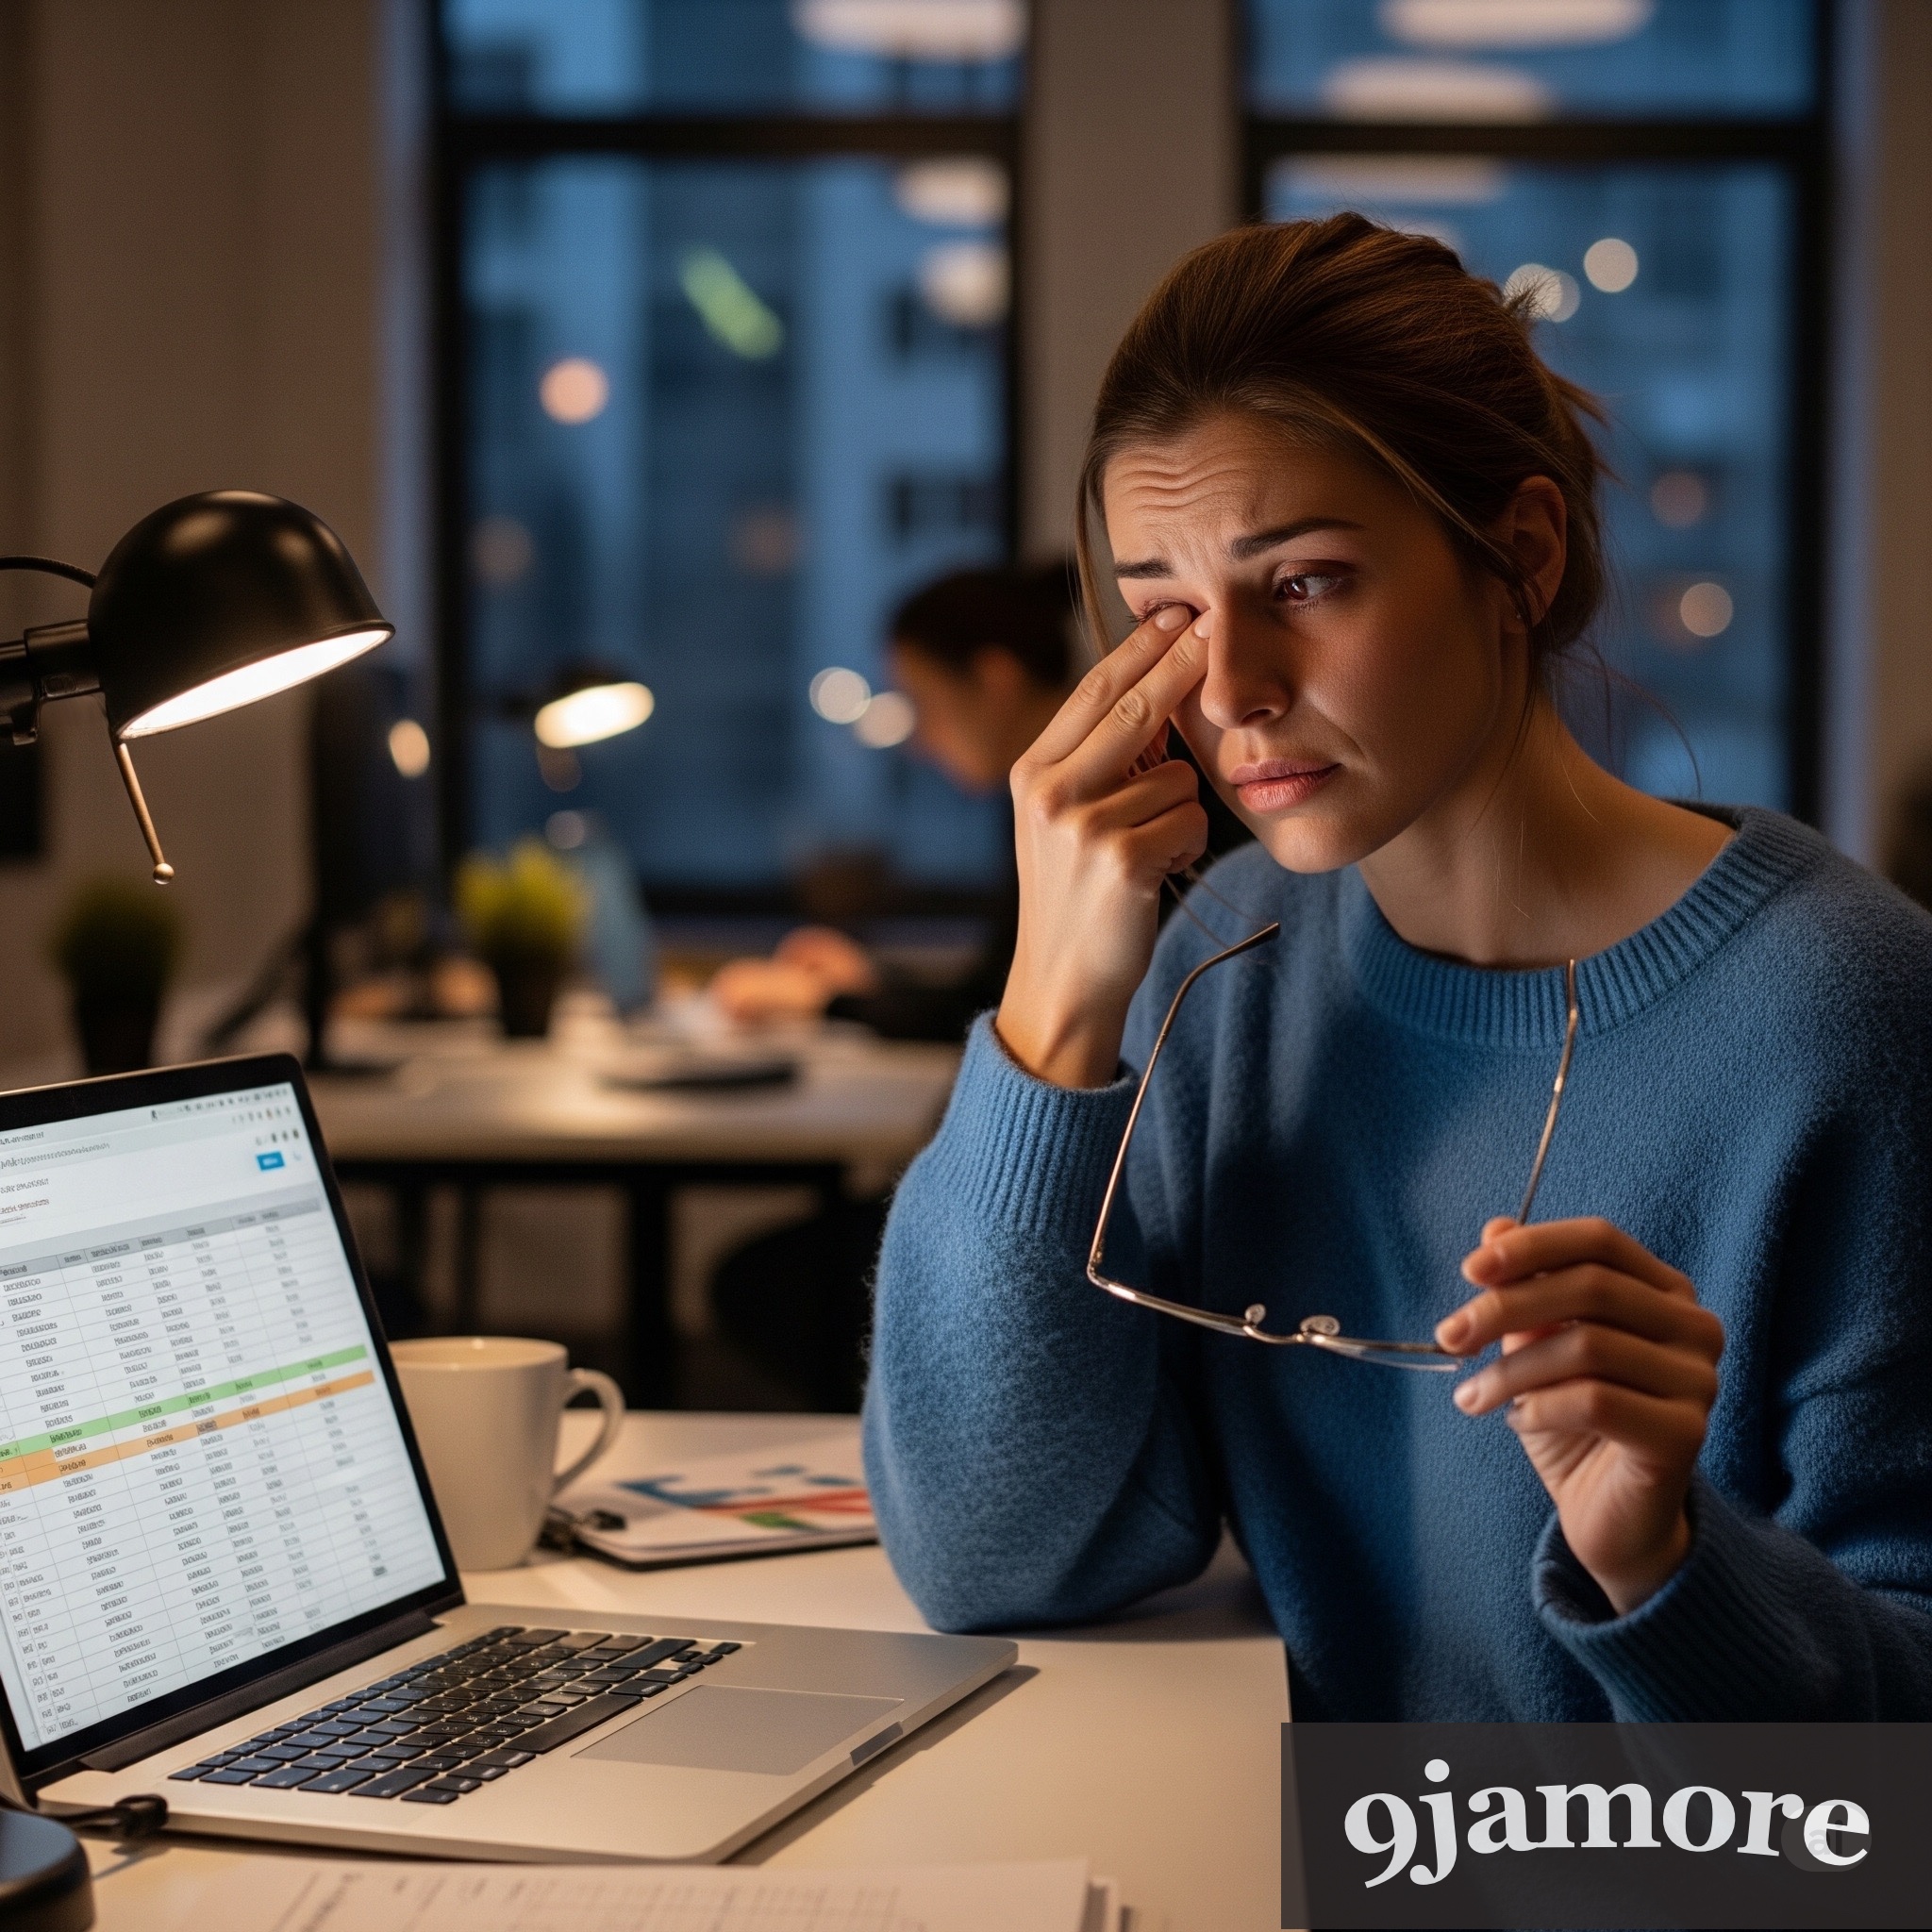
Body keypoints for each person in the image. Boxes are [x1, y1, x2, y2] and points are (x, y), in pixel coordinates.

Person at [863, 215, 1932, 1722]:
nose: (1227, 689)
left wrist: (1664, 1560)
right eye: (1166, 608)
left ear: (1522, 554)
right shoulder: (1220, 969)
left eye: (1303, 582)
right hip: (1314, 1863)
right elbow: (992, 1555)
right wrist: (1054, 999)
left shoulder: (1854, 1009)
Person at [708, 562, 1078, 1042]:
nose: (918, 741)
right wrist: (872, 981)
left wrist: (826, 1002)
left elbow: (1007, 1020)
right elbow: (995, 994)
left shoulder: (1080, 805)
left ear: (995, 681)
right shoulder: (1047, 796)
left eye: (923, 702)